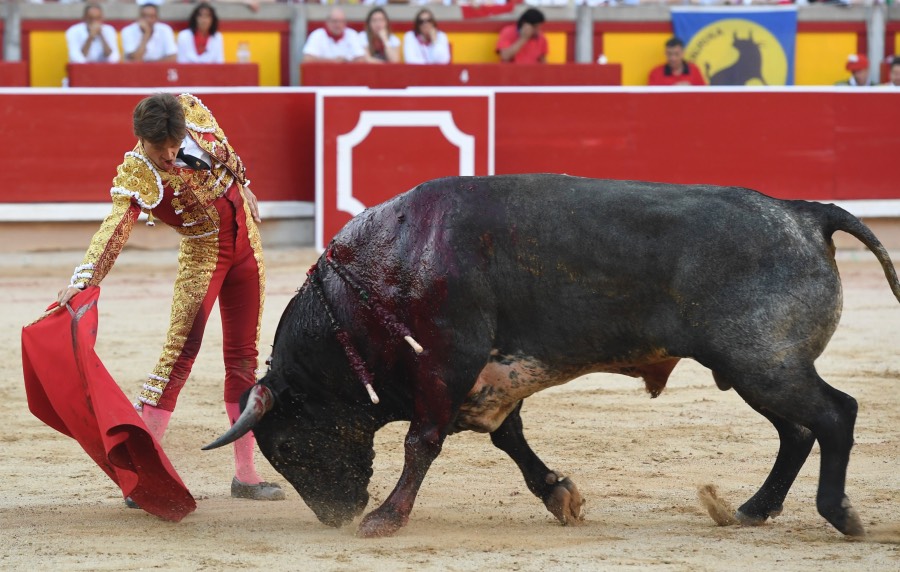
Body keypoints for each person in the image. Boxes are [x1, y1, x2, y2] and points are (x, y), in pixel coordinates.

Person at [57, 93, 284, 504]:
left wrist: (244, 184)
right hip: (203, 256)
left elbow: (223, 145)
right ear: (140, 138)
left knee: (244, 356)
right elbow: (116, 227)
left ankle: (247, 475)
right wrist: (84, 277)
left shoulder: (192, 109)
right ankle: (143, 476)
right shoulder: (137, 173)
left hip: (247, 246)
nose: (168, 153)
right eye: (159, 147)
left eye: (173, 144)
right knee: (178, 357)